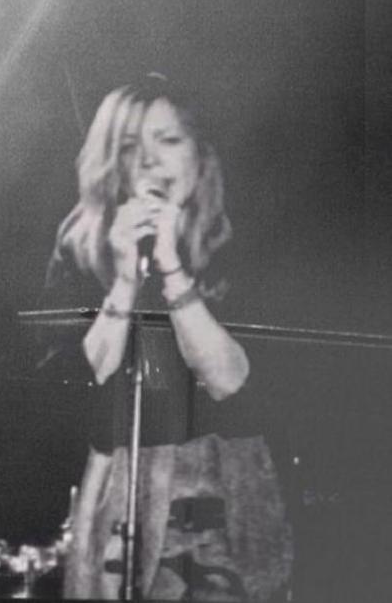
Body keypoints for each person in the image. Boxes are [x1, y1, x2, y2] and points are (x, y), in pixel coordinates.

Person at [43, 77, 293, 601]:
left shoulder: (239, 242)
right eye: (130, 146)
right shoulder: (79, 244)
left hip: (226, 491)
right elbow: (81, 380)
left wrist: (172, 268)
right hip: (124, 486)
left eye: (169, 140)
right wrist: (125, 281)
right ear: (113, 162)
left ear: (199, 155)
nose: (150, 161)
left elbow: (229, 381)